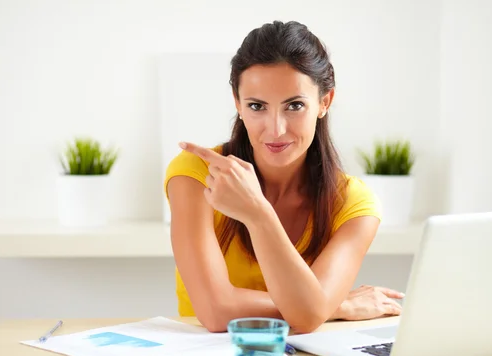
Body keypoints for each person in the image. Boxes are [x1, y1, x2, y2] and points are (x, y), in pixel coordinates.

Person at [164, 20, 404, 333]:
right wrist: (335, 306)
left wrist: (258, 214)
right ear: (238, 103)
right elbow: (215, 310)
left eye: (294, 105)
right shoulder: (196, 175)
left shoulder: (353, 203)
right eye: (256, 106)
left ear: (324, 102)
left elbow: (308, 314)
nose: (276, 129)